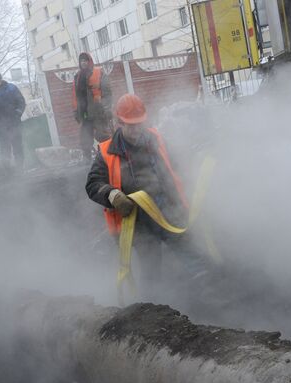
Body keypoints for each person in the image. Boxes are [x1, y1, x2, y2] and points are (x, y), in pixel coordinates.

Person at [85, 93, 207, 298]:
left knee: (193, 258)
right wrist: (113, 195)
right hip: (139, 222)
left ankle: (209, 296)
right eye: (130, 125)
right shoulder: (107, 152)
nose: (135, 130)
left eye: (138, 124)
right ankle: (156, 310)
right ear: (118, 122)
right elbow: (93, 184)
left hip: (168, 211)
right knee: (151, 272)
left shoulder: (157, 139)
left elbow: (175, 167)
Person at [73, 52, 112, 163]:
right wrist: (76, 111)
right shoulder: (77, 77)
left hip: (99, 111)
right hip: (85, 113)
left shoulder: (99, 72)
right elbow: (75, 96)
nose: (83, 63)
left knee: (103, 135)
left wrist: (107, 108)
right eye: (81, 61)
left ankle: (109, 156)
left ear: (89, 61)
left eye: (85, 60)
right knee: (85, 138)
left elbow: (107, 92)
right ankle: (87, 160)